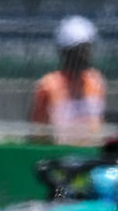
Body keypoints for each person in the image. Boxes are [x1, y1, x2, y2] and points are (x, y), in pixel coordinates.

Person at [29, 16, 105, 145]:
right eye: (80, 50)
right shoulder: (49, 85)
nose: (86, 55)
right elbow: (38, 131)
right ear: (66, 52)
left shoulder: (96, 81)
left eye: (88, 48)